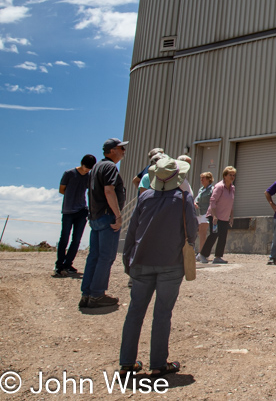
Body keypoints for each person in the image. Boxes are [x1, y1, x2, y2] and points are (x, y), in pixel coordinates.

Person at [118, 155, 197, 379]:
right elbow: (191, 232)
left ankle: (126, 363)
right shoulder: (184, 199)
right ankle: (158, 364)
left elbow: (132, 231)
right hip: (171, 263)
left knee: (135, 312)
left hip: (141, 261)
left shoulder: (144, 198)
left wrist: (128, 261)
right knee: (162, 313)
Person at [80, 138, 129, 309]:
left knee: (94, 256)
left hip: (96, 217)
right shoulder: (109, 167)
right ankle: (97, 295)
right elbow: (109, 190)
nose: (124, 151)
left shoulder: (96, 167)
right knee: (106, 257)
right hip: (107, 217)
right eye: (121, 148)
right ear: (113, 150)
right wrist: (117, 215)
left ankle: (86, 294)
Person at [55, 154, 95, 276]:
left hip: (82, 210)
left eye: (89, 169)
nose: (87, 170)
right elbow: (61, 190)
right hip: (68, 211)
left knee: (76, 239)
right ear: (82, 163)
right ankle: (59, 265)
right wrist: (71, 197)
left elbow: (90, 191)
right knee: (64, 238)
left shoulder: (89, 177)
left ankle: (68, 264)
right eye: (86, 167)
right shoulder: (69, 173)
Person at [198, 166, 235, 264]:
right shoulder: (219, 187)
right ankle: (203, 255)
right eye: (230, 175)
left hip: (224, 217)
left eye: (233, 175)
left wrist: (231, 216)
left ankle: (218, 257)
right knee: (214, 234)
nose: (232, 177)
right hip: (215, 216)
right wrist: (214, 216)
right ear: (225, 176)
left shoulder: (232, 188)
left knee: (223, 236)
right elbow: (213, 201)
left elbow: (231, 203)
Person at [194, 172, 214, 252]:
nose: (201, 180)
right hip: (199, 212)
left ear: (209, 179)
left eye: (203, 178)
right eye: (201, 178)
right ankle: (200, 251)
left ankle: (202, 252)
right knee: (200, 233)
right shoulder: (201, 189)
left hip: (206, 213)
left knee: (203, 233)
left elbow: (213, 202)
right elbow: (198, 199)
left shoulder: (211, 190)